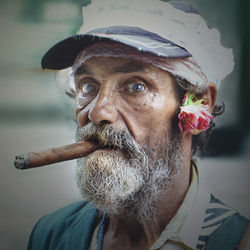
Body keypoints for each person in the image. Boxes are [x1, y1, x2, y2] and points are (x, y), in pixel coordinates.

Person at [27, 0, 249, 249]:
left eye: (136, 86)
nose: (98, 112)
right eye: (88, 86)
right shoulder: (50, 235)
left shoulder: (238, 242)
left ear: (199, 105)